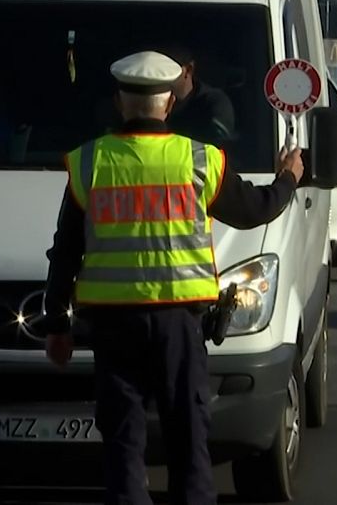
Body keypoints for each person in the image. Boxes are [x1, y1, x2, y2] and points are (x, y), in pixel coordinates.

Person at [43, 51, 303, 505]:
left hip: (113, 328)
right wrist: (289, 178)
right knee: (188, 439)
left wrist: (57, 326)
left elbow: (65, 252)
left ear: (121, 103)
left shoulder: (89, 163)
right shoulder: (199, 160)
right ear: (168, 104)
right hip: (179, 326)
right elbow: (256, 210)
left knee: (124, 442)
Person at [165, 48, 236, 146]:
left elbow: (219, 153)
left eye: (169, 70)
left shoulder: (215, 104)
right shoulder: (152, 104)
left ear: (189, 69)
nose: (162, 77)